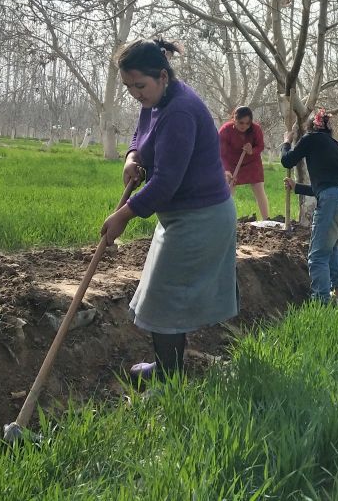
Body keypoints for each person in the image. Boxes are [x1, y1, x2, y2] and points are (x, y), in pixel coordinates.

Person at [99, 39, 238, 382]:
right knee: (164, 297)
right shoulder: (157, 98)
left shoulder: (180, 111)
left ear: (162, 75)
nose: (136, 95)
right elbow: (142, 131)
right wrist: (134, 156)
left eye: (140, 86)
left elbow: (165, 184)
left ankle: (166, 381)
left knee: (162, 300)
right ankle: (167, 370)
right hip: (180, 216)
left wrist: (123, 216)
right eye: (130, 87)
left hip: (201, 218)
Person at [280, 109, 338, 303]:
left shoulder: (310, 138)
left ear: (310, 127)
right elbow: (329, 186)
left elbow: (287, 160)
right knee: (330, 245)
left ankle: (321, 302)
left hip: (335, 200)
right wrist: (297, 187)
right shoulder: (335, 145)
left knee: (318, 255)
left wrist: (286, 142)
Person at [218, 106, 269, 220]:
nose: (244, 126)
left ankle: (266, 220)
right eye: (241, 123)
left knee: (259, 189)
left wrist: (252, 151)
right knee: (229, 190)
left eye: (247, 123)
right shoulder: (225, 130)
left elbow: (260, 146)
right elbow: (221, 153)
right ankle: (227, 220)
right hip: (231, 163)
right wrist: (226, 170)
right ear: (234, 119)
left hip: (252, 162)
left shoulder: (256, 129)